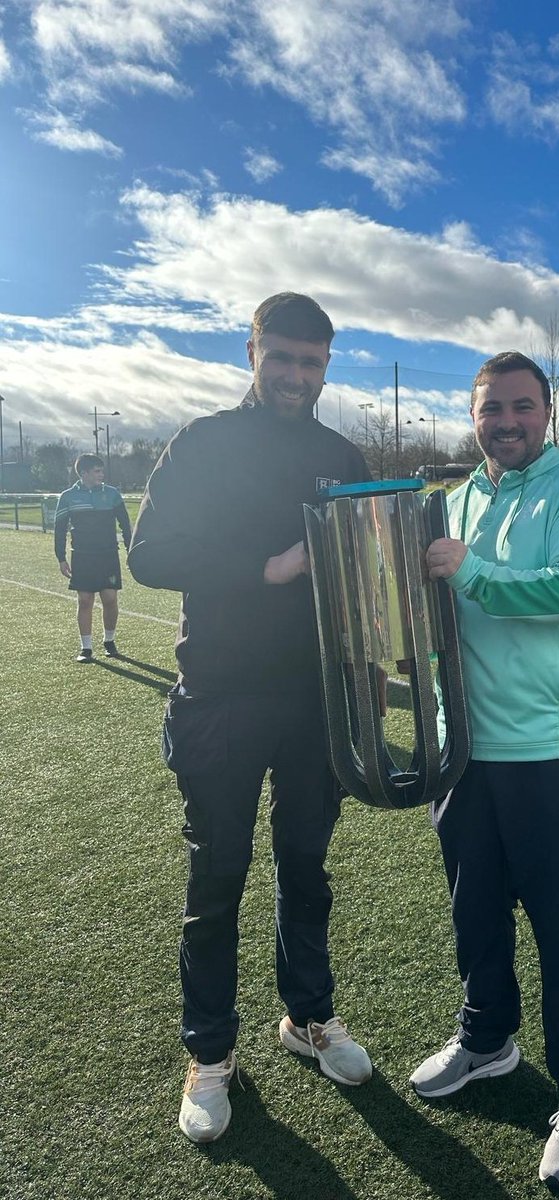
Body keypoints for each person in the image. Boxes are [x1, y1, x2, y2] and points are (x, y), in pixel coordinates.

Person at [128, 292, 375, 1146]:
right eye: (283, 359)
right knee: (217, 878)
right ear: (252, 352)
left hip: (316, 700)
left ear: (326, 365)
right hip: (221, 694)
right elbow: (149, 555)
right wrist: (263, 567)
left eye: (313, 363)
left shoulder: (343, 453)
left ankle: (307, 1018)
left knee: (305, 865)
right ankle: (210, 1055)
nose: (296, 377)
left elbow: (362, 571)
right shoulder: (202, 441)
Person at [410, 352, 559, 1191]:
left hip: (554, 758)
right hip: (466, 755)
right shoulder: (458, 498)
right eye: (491, 408)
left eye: (521, 406)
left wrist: (474, 573)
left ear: (548, 412)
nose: (506, 421)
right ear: (474, 418)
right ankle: (488, 1041)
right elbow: (437, 614)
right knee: (475, 916)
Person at [54, 453, 132, 662]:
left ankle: (109, 641)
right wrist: (61, 558)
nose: (101, 474)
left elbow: (125, 524)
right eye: (97, 471)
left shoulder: (113, 494)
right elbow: (59, 529)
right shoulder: (68, 497)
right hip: (82, 556)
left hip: (107, 555)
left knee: (110, 598)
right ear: (84, 473)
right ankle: (86, 648)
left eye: (101, 470)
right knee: (85, 600)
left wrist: (130, 548)